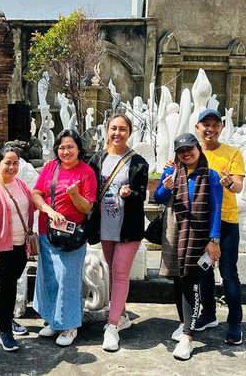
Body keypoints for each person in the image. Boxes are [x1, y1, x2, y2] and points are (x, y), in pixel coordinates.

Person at [153, 133, 222, 360]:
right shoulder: (171, 172)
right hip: (177, 235)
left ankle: (187, 336)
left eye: (190, 148)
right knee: (179, 279)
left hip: (199, 238)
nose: (186, 153)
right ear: (177, 154)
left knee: (192, 282)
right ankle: (185, 324)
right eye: (181, 150)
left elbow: (215, 208)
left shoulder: (211, 176)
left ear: (198, 149)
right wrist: (166, 187)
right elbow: (158, 198)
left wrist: (213, 240)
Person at [87, 114, 148, 352]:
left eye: (123, 129)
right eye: (114, 128)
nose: (117, 133)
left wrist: (129, 194)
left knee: (120, 273)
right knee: (113, 272)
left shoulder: (138, 162)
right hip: (105, 227)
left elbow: (142, 194)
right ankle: (121, 315)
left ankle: (112, 326)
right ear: (107, 130)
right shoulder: (97, 159)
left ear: (129, 132)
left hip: (128, 228)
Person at [31, 129, 96, 347]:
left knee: (67, 279)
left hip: (72, 235)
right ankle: (53, 320)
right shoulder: (50, 167)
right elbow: (36, 194)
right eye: (61, 147)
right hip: (46, 231)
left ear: (78, 149)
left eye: (70, 147)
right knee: (49, 277)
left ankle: (69, 325)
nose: (65, 151)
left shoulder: (86, 172)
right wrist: (49, 211)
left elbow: (87, 207)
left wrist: (74, 194)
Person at [191, 109, 246, 344]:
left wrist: (229, 182)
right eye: (206, 124)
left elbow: (239, 186)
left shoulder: (232, 153)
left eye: (215, 124)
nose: (210, 128)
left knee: (228, 273)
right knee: (203, 272)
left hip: (226, 221)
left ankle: (235, 323)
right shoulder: (191, 152)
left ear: (222, 128)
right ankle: (209, 314)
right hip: (199, 222)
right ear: (197, 127)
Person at [0, 146, 36, 352]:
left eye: (15, 163)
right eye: (7, 163)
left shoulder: (20, 184)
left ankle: (8, 320)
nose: (12, 167)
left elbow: (33, 204)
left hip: (21, 247)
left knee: (11, 285)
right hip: (3, 250)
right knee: (6, 288)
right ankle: (4, 331)